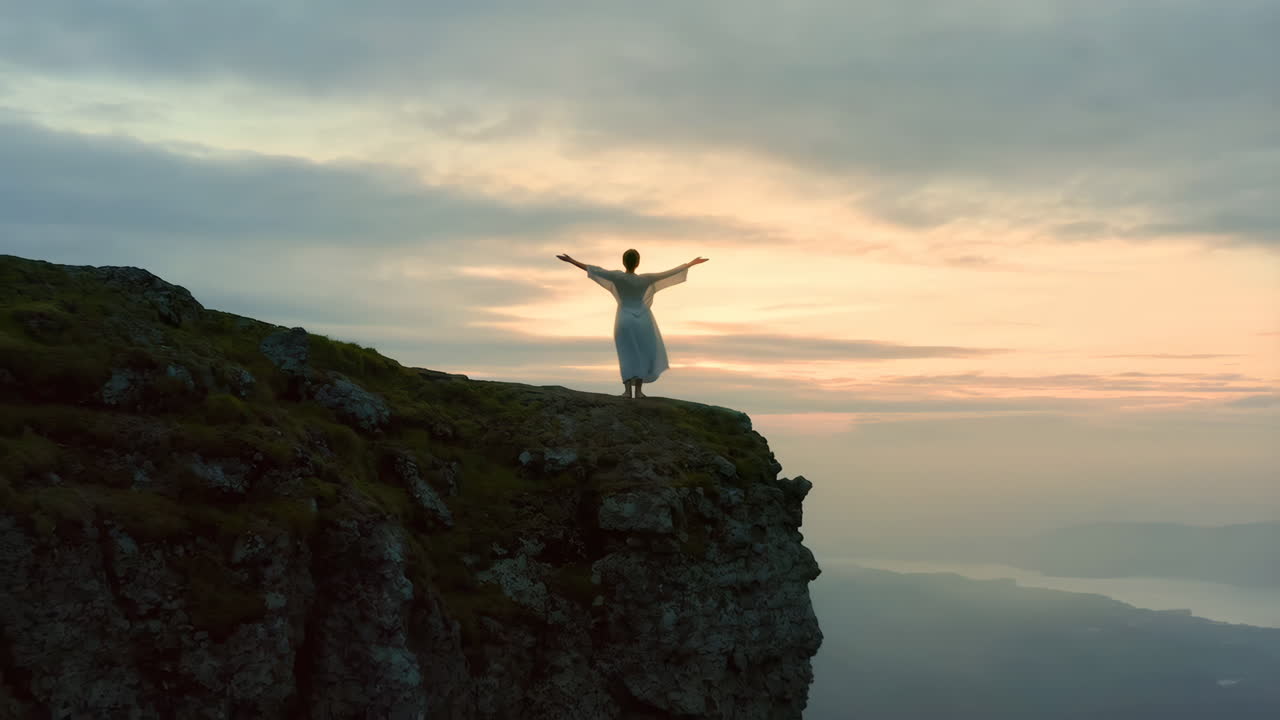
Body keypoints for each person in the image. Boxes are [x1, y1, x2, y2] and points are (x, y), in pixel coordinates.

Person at [557, 249, 709, 399]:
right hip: (643, 320)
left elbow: (594, 270)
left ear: (624, 262)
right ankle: (639, 392)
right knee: (641, 353)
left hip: (624, 319)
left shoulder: (617, 276)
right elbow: (669, 273)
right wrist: (691, 263)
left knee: (627, 354)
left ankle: (627, 391)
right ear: (637, 263)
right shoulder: (645, 279)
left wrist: (571, 260)